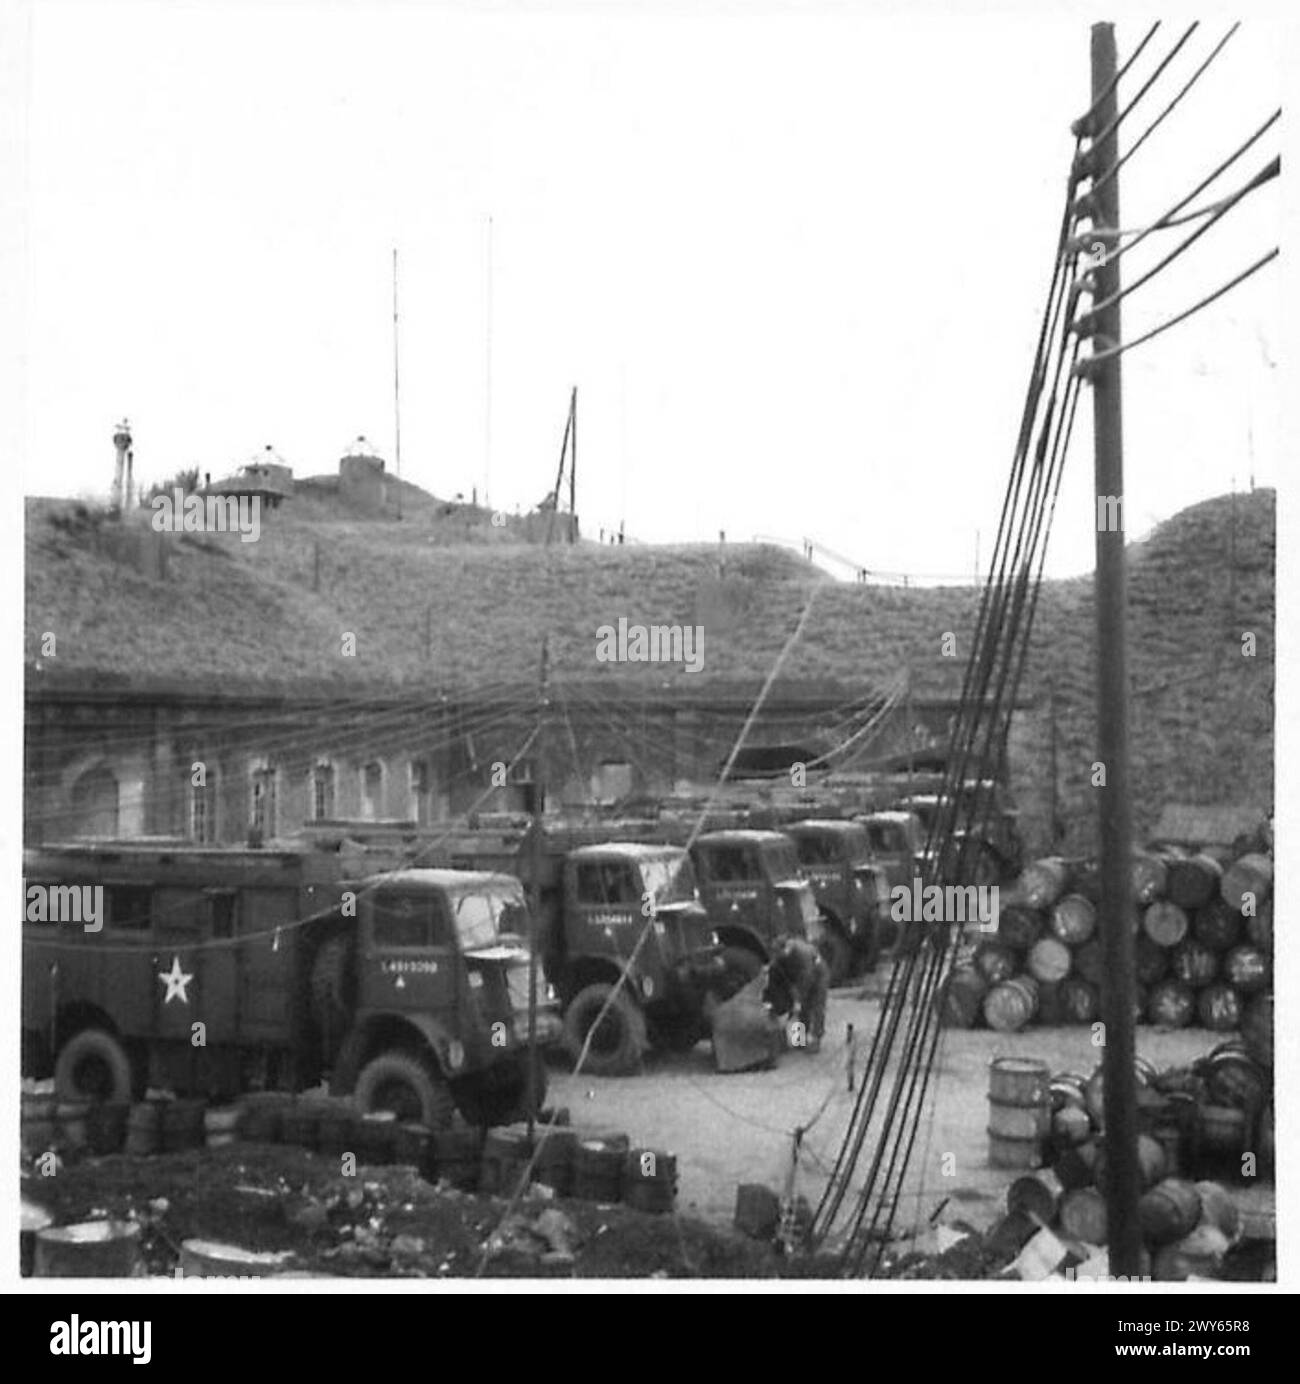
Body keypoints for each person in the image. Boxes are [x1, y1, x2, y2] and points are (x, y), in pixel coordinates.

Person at [763, 936, 828, 1054]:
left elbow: (807, 978)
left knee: (816, 1007)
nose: (778, 955)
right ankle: (799, 1040)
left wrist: (798, 1000)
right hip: (801, 976)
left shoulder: (803, 953)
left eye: (780, 953)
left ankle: (816, 1040)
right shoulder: (782, 954)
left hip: (818, 974)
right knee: (800, 1011)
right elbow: (775, 966)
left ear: (786, 948)